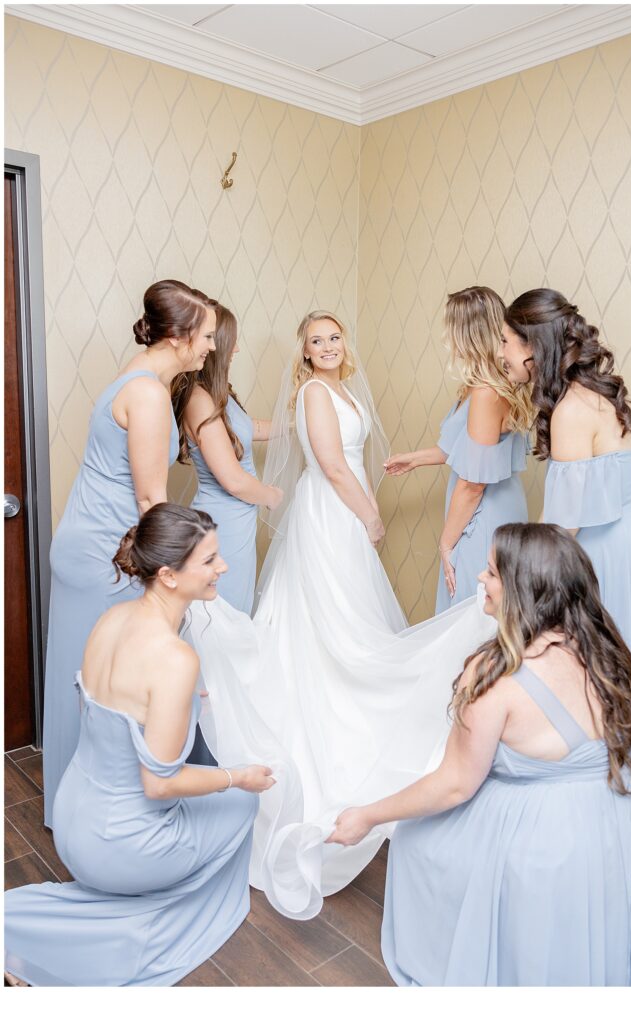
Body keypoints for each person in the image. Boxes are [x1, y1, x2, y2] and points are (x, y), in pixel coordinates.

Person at [185, 310, 496, 920]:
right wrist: (371, 516)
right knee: (334, 628)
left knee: (349, 621)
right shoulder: (313, 393)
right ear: (302, 353)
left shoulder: (342, 389)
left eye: (334, 337)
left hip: (340, 513)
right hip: (331, 516)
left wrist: (366, 505)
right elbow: (330, 466)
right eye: (316, 341)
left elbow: (346, 462)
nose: (328, 347)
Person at [328, 523, 631, 986]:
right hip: (617, 827)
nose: (481, 580)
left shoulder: (495, 675)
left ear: (525, 589)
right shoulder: (603, 650)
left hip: (547, 846)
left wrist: (368, 815)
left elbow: (455, 784)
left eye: (490, 572)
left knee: (418, 841)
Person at [5, 504, 274, 987]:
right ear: (169, 575)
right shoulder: (175, 658)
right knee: (243, 806)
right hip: (120, 845)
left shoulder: (111, 619)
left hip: (72, 818)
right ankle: (138, 930)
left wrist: (181, 702)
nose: (224, 567)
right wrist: (239, 777)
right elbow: (159, 783)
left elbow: (110, 715)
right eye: (210, 560)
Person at [42, 280, 217, 827]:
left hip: (87, 542)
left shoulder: (134, 375)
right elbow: (150, 500)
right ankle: (105, 819)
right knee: (104, 678)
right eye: (208, 336)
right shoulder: (146, 394)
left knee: (88, 673)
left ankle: (75, 808)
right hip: (107, 553)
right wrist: (178, 571)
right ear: (182, 337)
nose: (212, 347)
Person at [501, 288, 631, 803]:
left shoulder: (570, 409)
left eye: (505, 341)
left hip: (596, 558)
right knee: (628, 672)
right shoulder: (601, 393)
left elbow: (561, 529)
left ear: (533, 345)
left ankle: (607, 803)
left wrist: (513, 580)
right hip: (627, 545)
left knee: (595, 681)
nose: (501, 353)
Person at [385, 287, 532, 613]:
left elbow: (473, 483)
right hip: (498, 505)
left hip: (483, 515)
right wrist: (416, 459)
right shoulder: (493, 384)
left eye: (451, 328)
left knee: (470, 615)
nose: (446, 338)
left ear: (468, 333)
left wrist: (446, 542)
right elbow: (469, 450)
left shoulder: (485, 392)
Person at [172, 301, 283, 615]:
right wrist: (271, 496)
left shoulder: (218, 393)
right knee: (224, 613)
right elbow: (233, 480)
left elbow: (247, 430)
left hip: (238, 522)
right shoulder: (198, 399)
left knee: (237, 609)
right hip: (223, 523)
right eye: (231, 340)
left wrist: (297, 425)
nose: (236, 349)